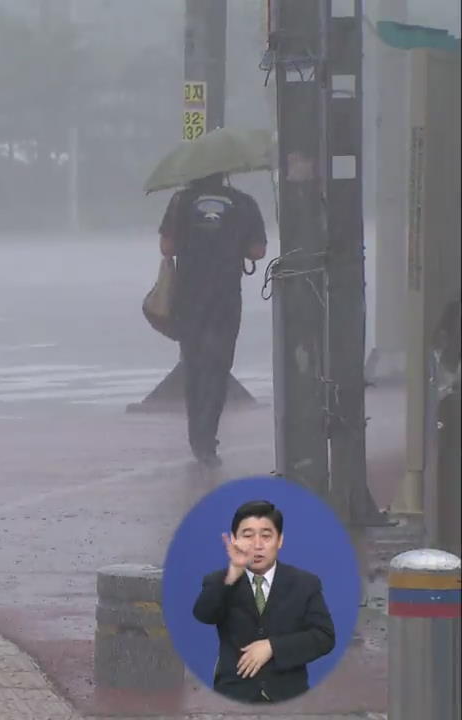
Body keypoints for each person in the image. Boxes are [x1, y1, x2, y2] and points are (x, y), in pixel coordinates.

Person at [159, 173, 268, 466]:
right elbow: (257, 251)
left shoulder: (180, 201)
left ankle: (196, 436)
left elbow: (167, 248)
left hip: (188, 297)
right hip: (225, 298)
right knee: (219, 367)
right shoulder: (244, 203)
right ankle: (208, 439)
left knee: (194, 366)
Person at [192, 500, 336, 704]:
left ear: (280, 540)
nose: (257, 545)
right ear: (234, 540)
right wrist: (232, 576)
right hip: (234, 696)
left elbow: (324, 637)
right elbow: (203, 615)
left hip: (289, 696)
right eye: (248, 536)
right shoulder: (219, 581)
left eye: (266, 536)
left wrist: (273, 647)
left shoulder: (305, 583)